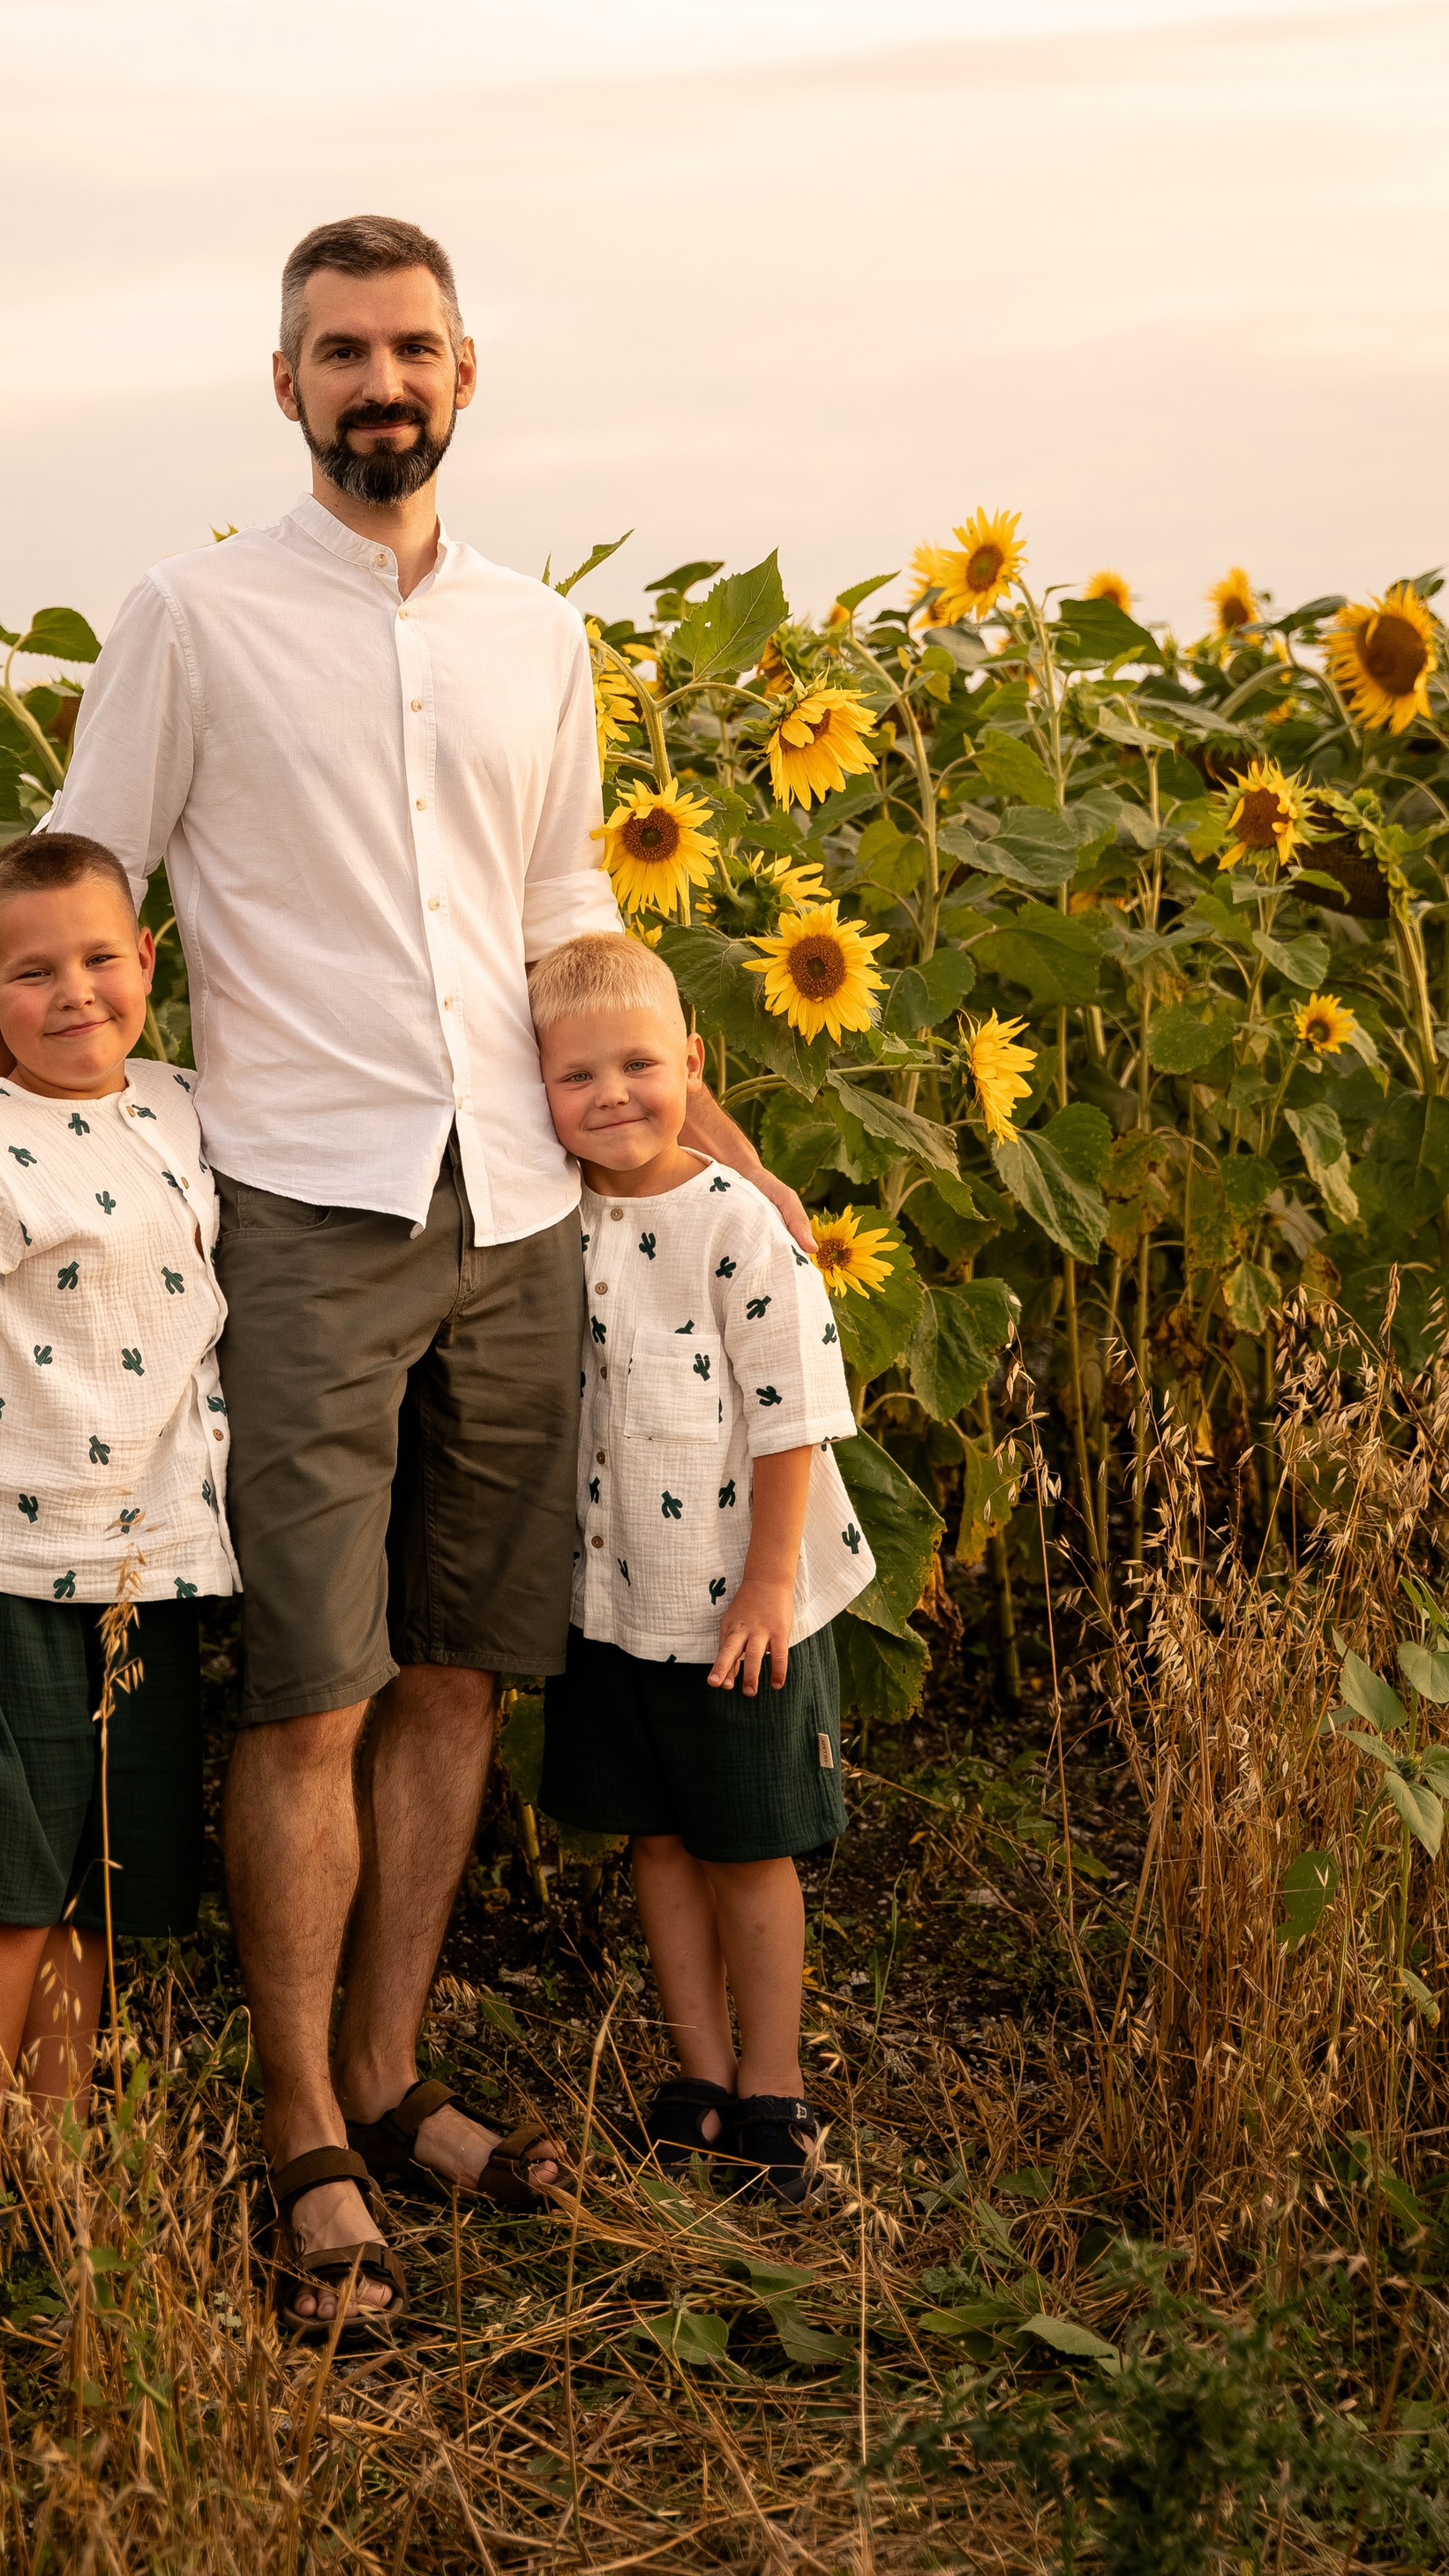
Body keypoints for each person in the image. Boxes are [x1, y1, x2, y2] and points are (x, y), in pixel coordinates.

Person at [0, 213, 812, 2338]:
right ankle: (296, 2125)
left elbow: (566, 911)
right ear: (280, 388)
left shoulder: (534, 638)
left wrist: (725, 1146)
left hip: (518, 1211)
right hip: (293, 1206)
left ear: (464, 375)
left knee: (458, 1671)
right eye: (334, 352)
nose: (375, 382)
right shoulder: (189, 618)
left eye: (406, 348)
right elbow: (72, 886)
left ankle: (389, 2080)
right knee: (308, 1686)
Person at [0, 830, 239, 2233]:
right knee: (6, 1898)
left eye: (98, 959)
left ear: (149, 964)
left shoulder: (188, 1108)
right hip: (8, 1572)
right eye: (33, 973)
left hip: (156, 1561)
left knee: (96, 1894)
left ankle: (60, 2172)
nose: (73, 992)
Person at [529, 929, 874, 2205]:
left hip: (739, 1599)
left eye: (639, 1065)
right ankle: (698, 2076)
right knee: (659, 1843)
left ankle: (776, 2092)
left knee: (748, 1846)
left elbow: (792, 1416)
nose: (613, 1095)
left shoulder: (737, 1226)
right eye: (578, 1078)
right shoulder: (551, 1222)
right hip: (611, 1605)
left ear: (695, 1060)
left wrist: (772, 1587)